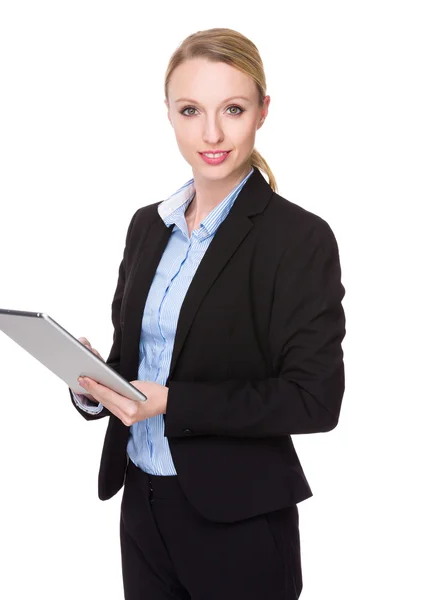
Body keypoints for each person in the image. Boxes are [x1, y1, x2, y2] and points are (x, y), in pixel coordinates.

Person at [69, 27, 346, 600]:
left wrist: (174, 402)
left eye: (233, 109)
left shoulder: (299, 239)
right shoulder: (148, 226)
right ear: (168, 113)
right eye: (191, 110)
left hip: (237, 520)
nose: (212, 133)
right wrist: (94, 384)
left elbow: (315, 400)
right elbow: (133, 361)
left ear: (263, 112)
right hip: (142, 505)